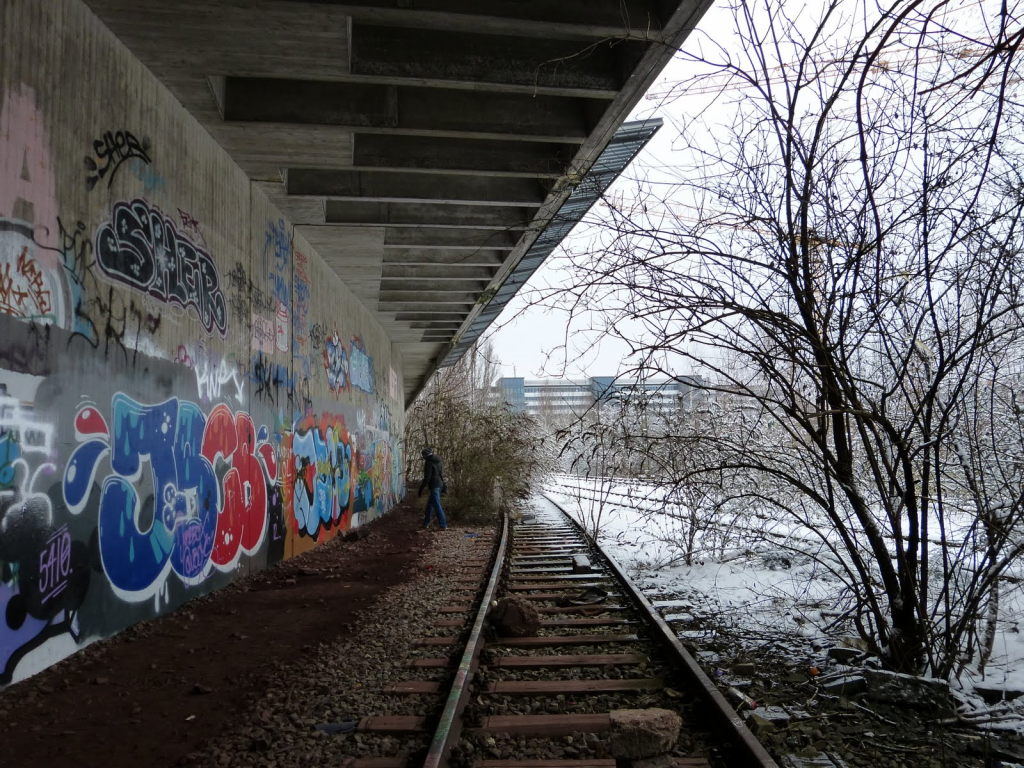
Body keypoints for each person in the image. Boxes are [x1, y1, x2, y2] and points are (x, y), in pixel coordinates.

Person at [418, 447, 448, 531]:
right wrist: (444, 485)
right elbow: (441, 474)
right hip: (439, 484)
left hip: (434, 486)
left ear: (425, 455)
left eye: (423, 455)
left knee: (437, 505)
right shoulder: (439, 460)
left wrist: (421, 489)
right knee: (429, 505)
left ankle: (443, 525)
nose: (423, 457)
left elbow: (427, 477)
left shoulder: (429, 462)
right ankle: (425, 523)